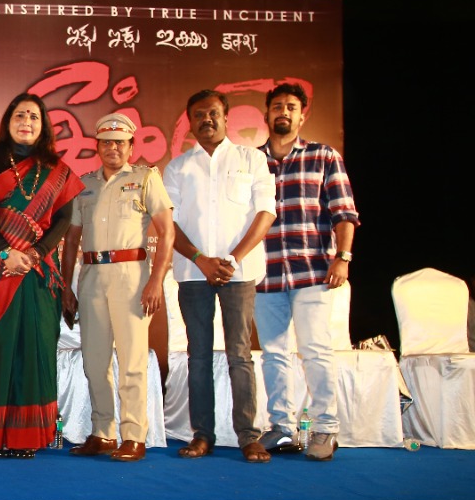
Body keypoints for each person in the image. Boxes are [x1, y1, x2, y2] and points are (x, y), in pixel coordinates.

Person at [0, 93, 83, 458]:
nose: (26, 122)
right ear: (8, 121)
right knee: (0, 345)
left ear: (43, 124)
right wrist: (6, 251)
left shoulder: (57, 170)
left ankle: (27, 435)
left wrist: (34, 254)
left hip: (38, 267)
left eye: (34, 116)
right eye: (20, 115)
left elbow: (63, 220)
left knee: (36, 346)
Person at [164, 90, 276, 462]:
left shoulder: (252, 159)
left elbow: (265, 213)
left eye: (213, 113)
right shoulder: (178, 167)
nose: (206, 120)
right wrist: (201, 259)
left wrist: (232, 258)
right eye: (198, 115)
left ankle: (248, 436)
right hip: (193, 272)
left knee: (239, 354)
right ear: (190, 122)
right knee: (197, 355)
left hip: (239, 272)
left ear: (226, 117)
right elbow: (168, 222)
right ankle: (202, 435)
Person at [255, 83, 360, 461]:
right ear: (266, 114)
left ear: (303, 115)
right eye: (277, 106)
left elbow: (344, 212)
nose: (283, 112)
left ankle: (325, 428)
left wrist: (342, 257)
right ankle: (282, 428)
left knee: (315, 350)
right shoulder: (251, 161)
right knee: (273, 354)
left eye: (291, 107)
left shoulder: (323, 156)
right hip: (265, 273)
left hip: (313, 271)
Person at [61, 113, 173, 462]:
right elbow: (71, 239)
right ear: (97, 146)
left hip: (131, 276)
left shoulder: (145, 179)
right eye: (106, 142)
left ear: (131, 146)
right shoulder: (84, 185)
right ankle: (103, 432)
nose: (113, 148)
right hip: (92, 275)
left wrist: (156, 280)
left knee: (132, 360)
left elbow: (167, 231)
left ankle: (134, 435)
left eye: (120, 143)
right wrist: (67, 287)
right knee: (94, 361)